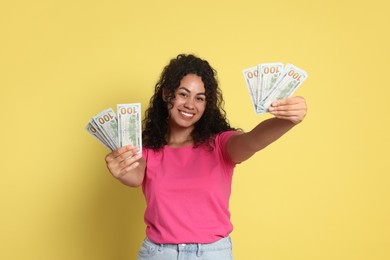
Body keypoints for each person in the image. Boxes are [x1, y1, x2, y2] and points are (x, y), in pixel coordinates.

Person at [105, 54, 307, 260]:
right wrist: (118, 168)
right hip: (158, 253)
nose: (190, 104)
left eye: (199, 98)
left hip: (212, 254)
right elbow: (134, 177)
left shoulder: (221, 145)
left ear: (206, 104)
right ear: (167, 94)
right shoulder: (146, 150)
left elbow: (254, 140)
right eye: (183, 94)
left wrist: (288, 120)